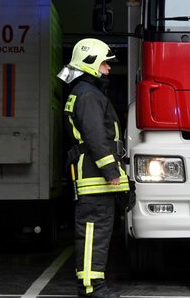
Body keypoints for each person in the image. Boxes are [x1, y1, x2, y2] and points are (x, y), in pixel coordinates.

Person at [58, 38, 130, 298]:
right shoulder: (88, 95)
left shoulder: (85, 92)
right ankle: (91, 288)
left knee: (96, 234)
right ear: (90, 63)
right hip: (94, 177)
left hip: (93, 177)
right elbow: (96, 138)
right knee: (92, 234)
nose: (109, 68)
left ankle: (93, 285)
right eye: (105, 63)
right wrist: (111, 172)